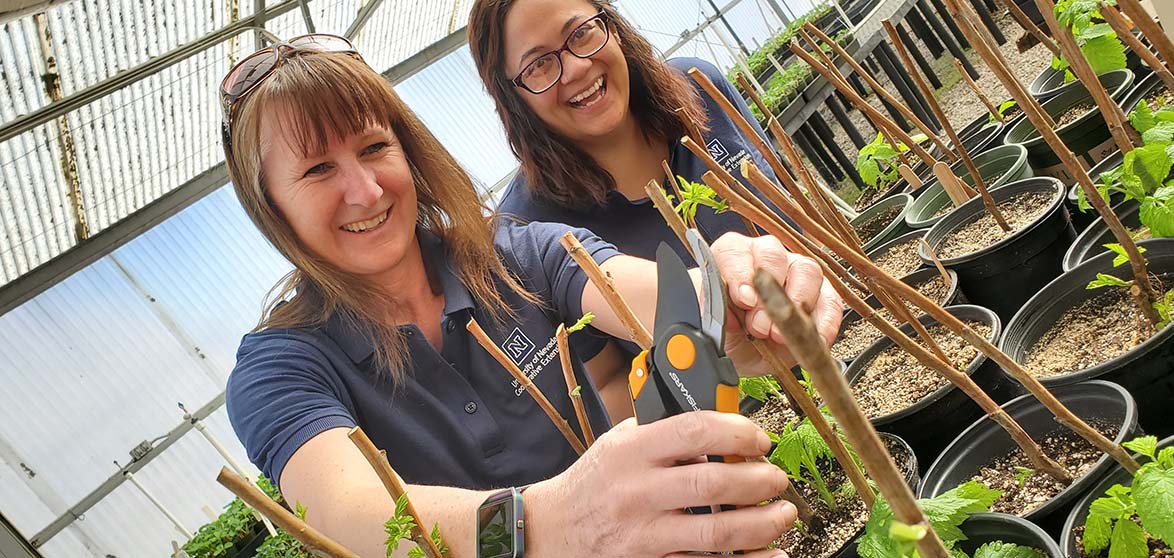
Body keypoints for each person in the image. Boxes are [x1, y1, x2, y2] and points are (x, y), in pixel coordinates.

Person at [220, 33, 842, 557]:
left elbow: (646, 296)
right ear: (272, 207)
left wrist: (732, 301)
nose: (365, 191)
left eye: (374, 147)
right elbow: (353, 514)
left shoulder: (511, 255)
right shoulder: (281, 367)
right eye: (316, 170)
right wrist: (540, 523)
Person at [468, 0, 788, 266]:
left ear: (613, 28)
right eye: (539, 65)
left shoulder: (700, 87)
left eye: (581, 33)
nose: (576, 69)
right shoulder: (528, 229)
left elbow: (791, 213)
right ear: (513, 100)